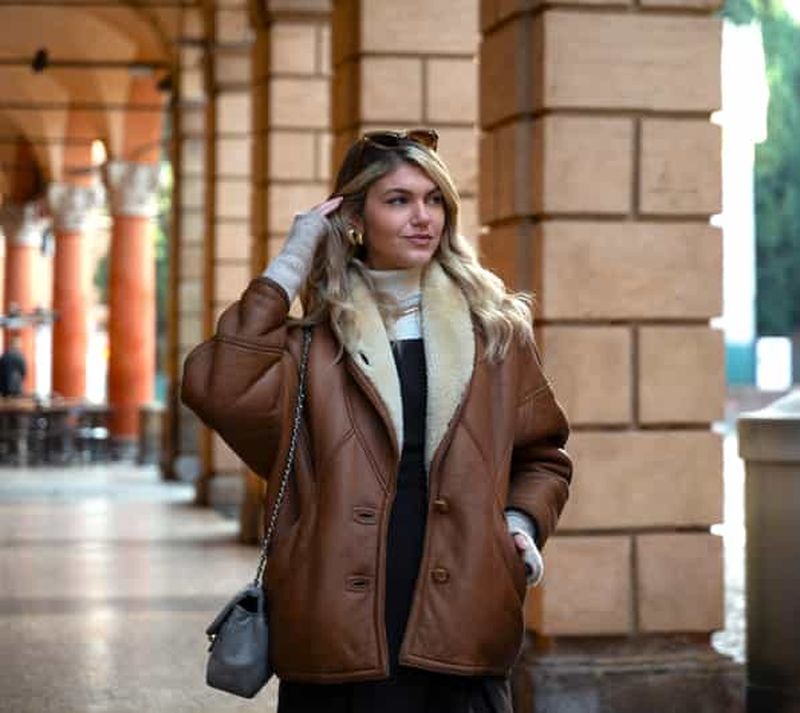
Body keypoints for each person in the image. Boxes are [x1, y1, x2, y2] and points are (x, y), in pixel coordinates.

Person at [181, 128, 572, 713]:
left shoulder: (494, 331)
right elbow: (216, 384)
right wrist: (289, 266)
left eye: (433, 199)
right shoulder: (313, 341)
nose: (423, 217)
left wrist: (519, 524)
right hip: (335, 616)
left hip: (463, 604)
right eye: (399, 200)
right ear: (356, 217)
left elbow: (542, 455)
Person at [0, 333, 27, 398]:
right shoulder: (20, 356)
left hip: (5, 387)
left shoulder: (5, 355)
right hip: (16, 387)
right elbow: (23, 371)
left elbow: (0, 370)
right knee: (16, 406)